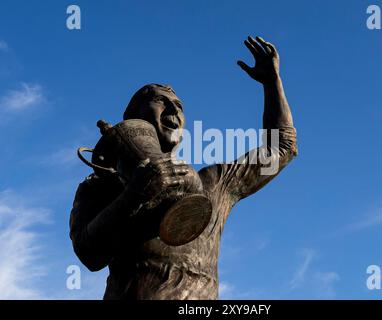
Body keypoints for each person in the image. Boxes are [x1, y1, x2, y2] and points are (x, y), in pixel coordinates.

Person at [70, 36, 298, 299]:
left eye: (179, 106)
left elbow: (282, 149)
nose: (173, 109)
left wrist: (272, 84)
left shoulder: (215, 184)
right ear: (134, 117)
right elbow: (89, 253)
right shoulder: (103, 185)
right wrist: (135, 194)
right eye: (160, 101)